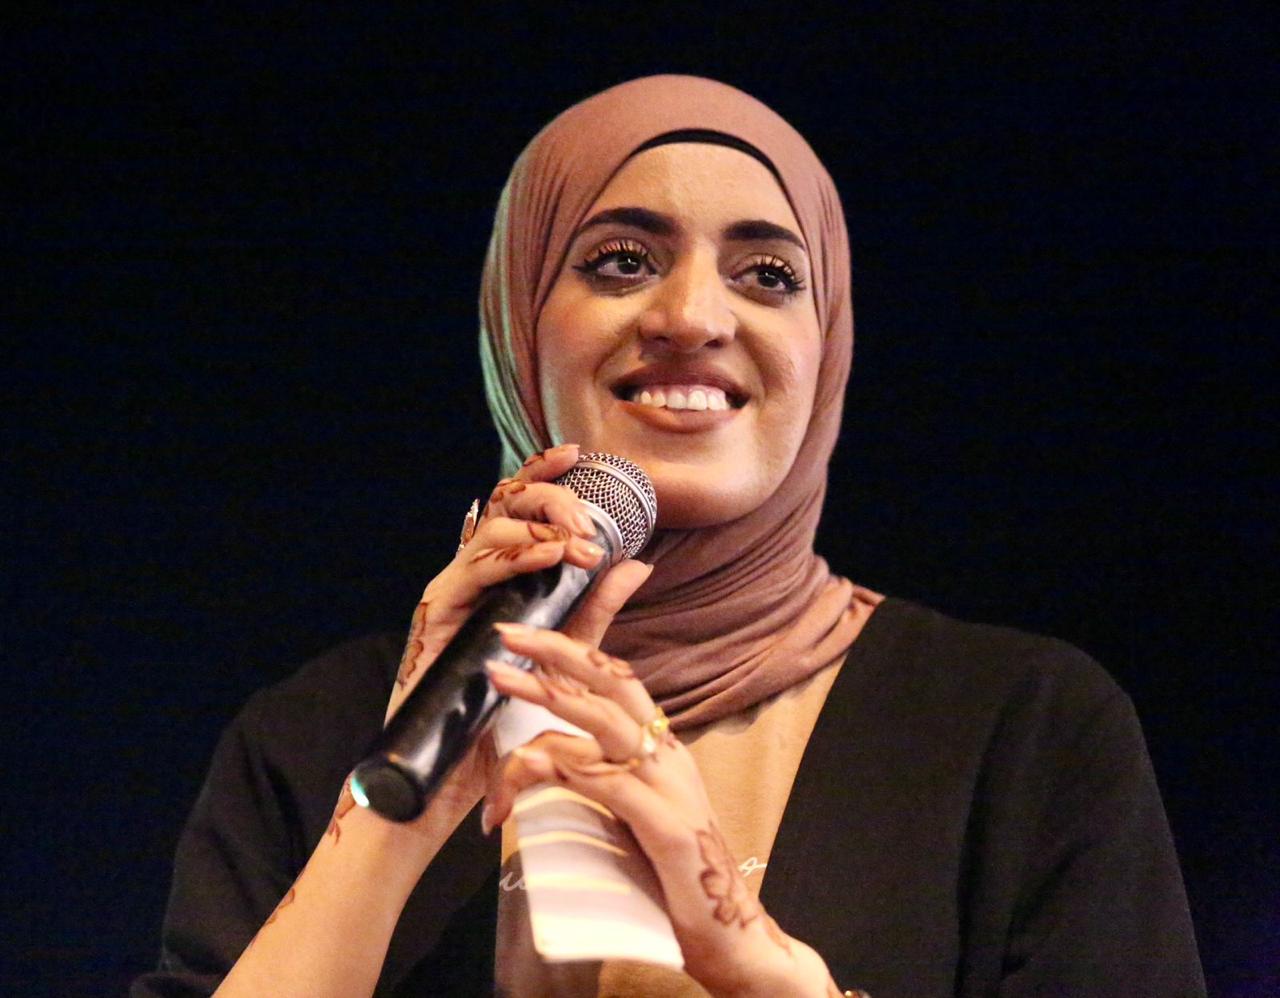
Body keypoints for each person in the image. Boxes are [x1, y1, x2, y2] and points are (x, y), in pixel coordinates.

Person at [133, 75, 1204, 997]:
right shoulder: (319, 737)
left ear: (826, 345)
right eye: (620, 261)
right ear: (518, 320)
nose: (692, 317)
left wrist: (753, 958)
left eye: (768, 275)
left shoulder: (1019, 725)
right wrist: (393, 818)